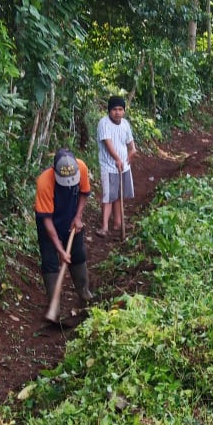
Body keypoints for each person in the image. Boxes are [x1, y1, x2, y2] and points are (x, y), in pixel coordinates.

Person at [35, 148, 94, 321]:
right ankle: (55, 308)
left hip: (70, 216)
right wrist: (60, 250)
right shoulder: (44, 182)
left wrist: (78, 217)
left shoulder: (81, 167)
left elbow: (84, 193)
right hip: (48, 220)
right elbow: (47, 221)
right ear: (54, 172)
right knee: (50, 261)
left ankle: (84, 294)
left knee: (78, 254)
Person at [97, 96, 137, 237]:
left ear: (124, 111)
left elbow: (130, 142)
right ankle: (104, 227)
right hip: (109, 166)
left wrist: (132, 150)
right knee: (109, 196)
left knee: (119, 196)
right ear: (109, 110)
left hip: (123, 166)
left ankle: (118, 223)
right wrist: (117, 159)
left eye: (120, 109)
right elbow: (108, 143)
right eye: (114, 109)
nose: (117, 112)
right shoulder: (104, 123)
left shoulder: (125, 124)